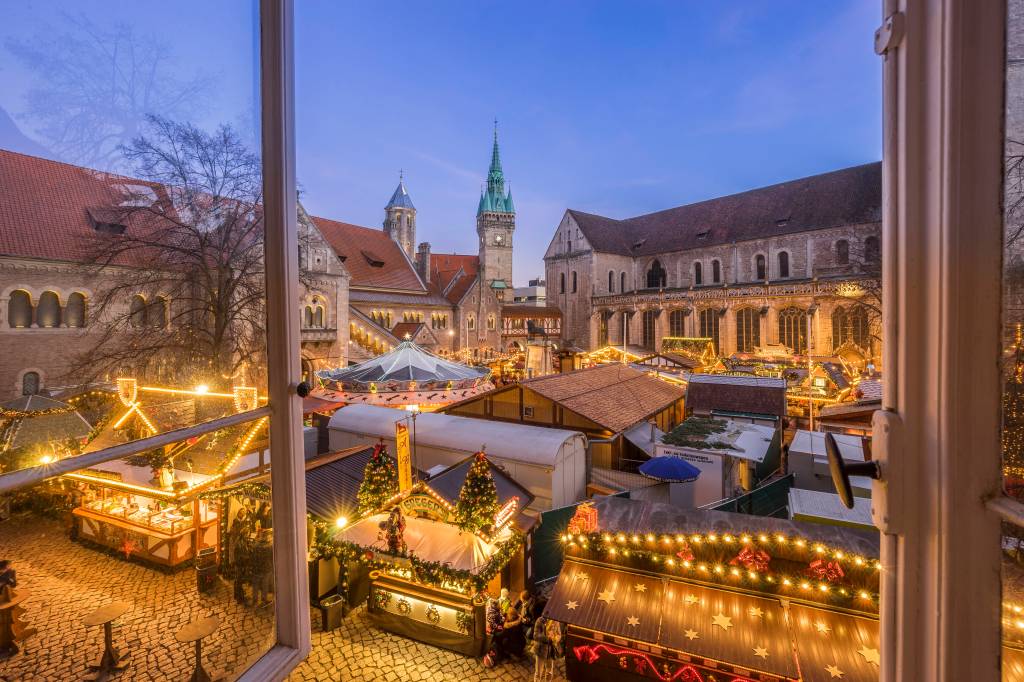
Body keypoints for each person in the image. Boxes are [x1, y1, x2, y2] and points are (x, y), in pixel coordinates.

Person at [531, 616, 557, 681]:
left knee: (549, 672)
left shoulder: (556, 621)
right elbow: (536, 635)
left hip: (551, 651)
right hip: (541, 651)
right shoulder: (540, 620)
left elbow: (559, 634)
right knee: (538, 673)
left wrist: (555, 638)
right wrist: (548, 639)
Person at [483, 597, 504, 668]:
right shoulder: (491, 612)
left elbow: (500, 614)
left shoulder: (495, 610)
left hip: (496, 626)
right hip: (492, 630)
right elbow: (492, 623)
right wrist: (498, 626)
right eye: (499, 604)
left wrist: (502, 618)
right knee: (499, 636)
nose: (500, 605)